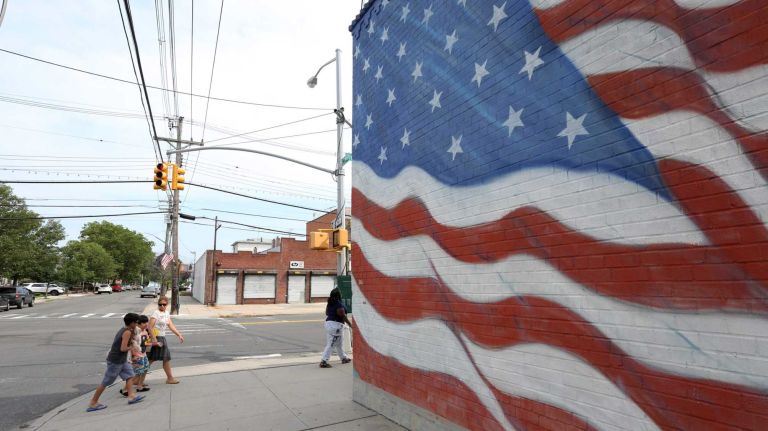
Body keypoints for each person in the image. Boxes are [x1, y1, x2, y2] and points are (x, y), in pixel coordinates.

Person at [86, 313, 146, 412]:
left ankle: (131, 396)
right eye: (136, 322)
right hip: (116, 360)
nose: (137, 324)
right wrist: (132, 347)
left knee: (130, 375)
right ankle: (93, 402)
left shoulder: (126, 330)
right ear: (131, 323)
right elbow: (123, 348)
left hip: (122, 360)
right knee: (106, 382)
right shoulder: (127, 332)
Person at [147, 296, 184, 384]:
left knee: (155, 359)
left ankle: (137, 378)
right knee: (160, 358)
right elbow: (150, 327)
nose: (162, 306)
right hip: (157, 338)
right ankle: (170, 378)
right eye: (160, 304)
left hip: (162, 338)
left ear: (167, 305)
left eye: (164, 304)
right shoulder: (156, 313)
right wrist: (154, 340)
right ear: (158, 304)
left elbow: (170, 325)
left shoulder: (166, 313)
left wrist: (179, 334)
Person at [320, 288, 352, 368]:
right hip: (335, 326)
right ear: (338, 295)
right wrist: (350, 324)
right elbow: (343, 316)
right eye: (340, 293)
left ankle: (343, 358)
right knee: (331, 344)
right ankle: (324, 361)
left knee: (339, 343)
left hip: (330, 324)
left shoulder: (330, 303)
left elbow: (327, 313)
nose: (341, 294)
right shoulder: (338, 304)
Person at [120, 315, 152, 396]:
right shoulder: (135, 333)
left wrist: (151, 342)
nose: (146, 324)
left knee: (145, 369)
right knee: (136, 373)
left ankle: (140, 386)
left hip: (143, 354)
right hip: (137, 354)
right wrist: (133, 356)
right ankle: (125, 389)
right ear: (138, 324)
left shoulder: (145, 331)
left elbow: (146, 342)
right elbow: (131, 345)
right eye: (143, 323)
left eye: (146, 322)